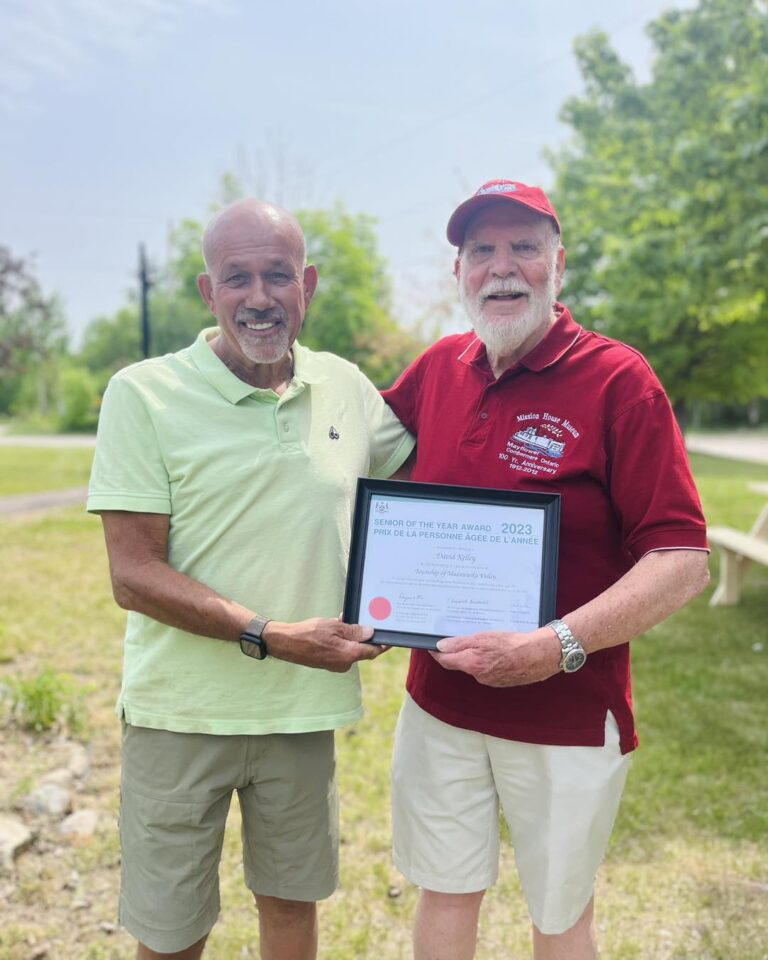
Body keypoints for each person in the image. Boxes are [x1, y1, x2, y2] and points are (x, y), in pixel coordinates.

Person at [382, 180, 710, 960]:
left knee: (561, 919)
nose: (503, 268)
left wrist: (553, 644)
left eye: (524, 248)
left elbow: (681, 560)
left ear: (558, 266)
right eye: (482, 251)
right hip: (440, 705)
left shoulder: (618, 381)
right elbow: (356, 469)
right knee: (445, 889)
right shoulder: (438, 369)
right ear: (458, 271)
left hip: (565, 712)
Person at [87, 198, 414, 960]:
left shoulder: (345, 387)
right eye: (238, 277)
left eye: (278, 275)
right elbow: (132, 574)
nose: (260, 297)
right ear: (208, 292)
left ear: (309, 286)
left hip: (301, 716)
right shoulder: (142, 394)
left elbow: (422, 489)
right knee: (172, 933)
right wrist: (267, 635)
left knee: (293, 912)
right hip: (180, 715)